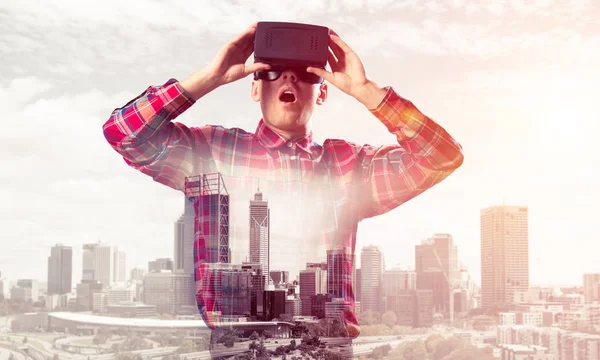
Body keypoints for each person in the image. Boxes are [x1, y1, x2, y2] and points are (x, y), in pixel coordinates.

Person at [102, 22, 464, 344]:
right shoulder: (210, 154)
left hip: (326, 349)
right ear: (255, 88)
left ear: (322, 93)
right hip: (241, 348)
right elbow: (124, 134)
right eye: (272, 71)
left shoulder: (350, 166)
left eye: (307, 74)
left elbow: (441, 157)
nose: (288, 79)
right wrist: (207, 78)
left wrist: (368, 91)